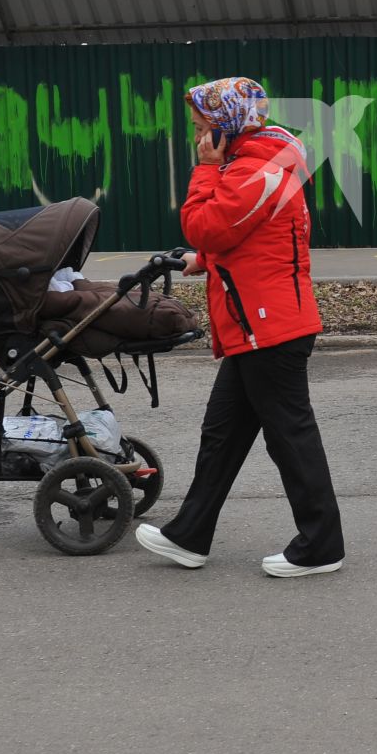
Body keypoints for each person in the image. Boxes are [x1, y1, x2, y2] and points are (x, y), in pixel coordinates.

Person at [136, 77, 345, 578]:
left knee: (290, 437)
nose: (198, 138)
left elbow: (207, 224)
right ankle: (189, 535)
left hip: (269, 327)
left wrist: (204, 173)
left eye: (202, 128)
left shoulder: (253, 169)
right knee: (223, 434)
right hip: (260, 323)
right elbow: (248, 238)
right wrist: (202, 261)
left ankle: (321, 546)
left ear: (226, 126)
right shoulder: (257, 163)